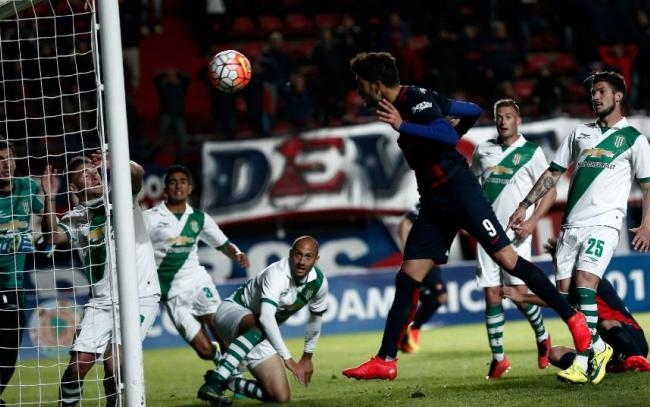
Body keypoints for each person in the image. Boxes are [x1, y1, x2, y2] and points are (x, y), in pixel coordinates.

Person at [341, 51, 590, 382]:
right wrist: (435, 127)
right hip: (434, 203)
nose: (358, 91)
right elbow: (471, 111)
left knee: (508, 260)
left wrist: (404, 126)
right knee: (408, 277)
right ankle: (386, 360)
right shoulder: (417, 98)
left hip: (460, 192)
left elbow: (446, 135)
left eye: (360, 84)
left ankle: (574, 319)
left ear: (376, 85)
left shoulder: (414, 102)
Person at [508, 71, 650, 385]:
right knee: (565, 296)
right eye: (592, 92)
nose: (594, 96)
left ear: (618, 96)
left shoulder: (634, 139)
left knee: (585, 283)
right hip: (571, 226)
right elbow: (552, 173)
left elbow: (647, 185)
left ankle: (590, 355)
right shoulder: (579, 134)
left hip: (604, 223)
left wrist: (646, 224)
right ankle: (593, 352)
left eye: (601, 91)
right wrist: (524, 204)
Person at [41, 153, 161, 406]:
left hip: (140, 296)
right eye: (84, 174)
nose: (93, 175)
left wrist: (116, 162)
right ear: (73, 187)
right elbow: (52, 237)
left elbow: (137, 173)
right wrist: (50, 197)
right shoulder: (74, 218)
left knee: (114, 363)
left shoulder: (121, 200)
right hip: (101, 301)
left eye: (93, 171)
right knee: (78, 366)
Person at [471, 98, 555, 378]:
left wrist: (532, 221)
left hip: (516, 234)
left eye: (508, 116)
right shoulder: (483, 150)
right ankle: (499, 358)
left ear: (518, 120)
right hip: (486, 231)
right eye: (499, 116)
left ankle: (542, 336)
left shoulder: (532, 152)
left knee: (519, 295)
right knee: (491, 294)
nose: (503, 121)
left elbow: (550, 191)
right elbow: (471, 187)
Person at [196, 236, 328, 406]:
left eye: (308, 256)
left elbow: (315, 319)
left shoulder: (318, 283)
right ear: (290, 254)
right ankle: (214, 382)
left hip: (258, 333)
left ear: (316, 260)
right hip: (231, 312)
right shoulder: (277, 274)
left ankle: (230, 382)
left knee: (280, 396)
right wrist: (288, 359)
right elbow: (266, 318)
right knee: (259, 324)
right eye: (298, 255)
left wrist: (307, 357)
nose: (302, 261)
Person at [143, 165, 249, 368]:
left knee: (220, 328)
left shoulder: (199, 219)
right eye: (173, 182)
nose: (178, 186)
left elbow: (223, 244)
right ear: (165, 189)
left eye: (183, 182)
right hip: (172, 294)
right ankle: (219, 361)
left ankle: (232, 375)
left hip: (198, 283)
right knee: (205, 351)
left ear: (190, 188)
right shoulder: (150, 218)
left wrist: (237, 253)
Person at [505, 238, 650, 374]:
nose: (558, 267)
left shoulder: (588, 278)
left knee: (606, 324)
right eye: (555, 262)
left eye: (559, 261)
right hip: (604, 344)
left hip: (632, 339)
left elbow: (557, 299)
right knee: (554, 354)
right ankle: (613, 365)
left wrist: (523, 297)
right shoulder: (572, 283)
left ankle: (636, 358)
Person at [0, 138, 49, 406]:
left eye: (8, 157)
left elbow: (47, 225)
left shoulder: (28, 187)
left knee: (9, 353)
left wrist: (49, 197)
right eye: (0, 160)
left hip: (14, 286)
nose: (5, 164)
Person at [396, 203, 448, 354]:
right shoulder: (427, 203)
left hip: (433, 259)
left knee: (428, 299)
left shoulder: (450, 203)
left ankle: (405, 334)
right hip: (423, 258)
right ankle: (412, 330)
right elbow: (403, 224)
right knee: (440, 297)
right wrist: (407, 249)